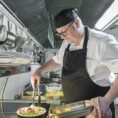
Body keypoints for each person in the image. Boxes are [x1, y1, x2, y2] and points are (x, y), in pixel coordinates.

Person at [31, 8, 118, 118]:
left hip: (97, 111)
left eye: (64, 32)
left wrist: (105, 101)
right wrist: (39, 70)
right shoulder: (66, 44)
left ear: (77, 23)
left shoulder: (102, 42)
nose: (63, 37)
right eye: (60, 34)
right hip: (73, 110)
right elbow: (56, 60)